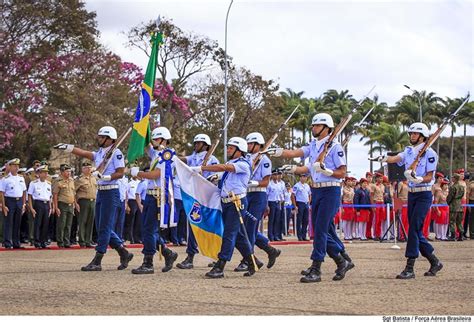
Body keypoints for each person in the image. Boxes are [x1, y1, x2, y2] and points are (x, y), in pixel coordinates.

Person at [265, 113, 354, 283]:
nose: (313, 128)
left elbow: (342, 172)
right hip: (317, 191)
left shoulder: (335, 148)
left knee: (320, 230)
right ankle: (342, 260)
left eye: (316, 126)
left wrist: (328, 172)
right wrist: (279, 153)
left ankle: (317, 267)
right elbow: (295, 153)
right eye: (313, 126)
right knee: (321, 229)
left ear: (326, 128)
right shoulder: (313, 146)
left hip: (331, 190)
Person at [54, 126, 133, 271]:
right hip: (101, 192)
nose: (99, 139)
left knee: (105, 228)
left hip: (111, 192)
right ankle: (123, 252)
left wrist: (105, 176)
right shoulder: (100, 153)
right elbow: (84, 153)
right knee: (101, 227)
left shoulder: (117, 153)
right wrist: (68, 147)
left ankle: (98, 259)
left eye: (102, 137)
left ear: (110, 139)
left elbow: (121, 173)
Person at [370, 122, 443, 279]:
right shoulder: (409, 151)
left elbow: (430, 176)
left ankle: (409, 267)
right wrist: (383, 158)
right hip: (412, 194)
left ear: (422, 136)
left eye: (415, 134)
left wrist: (419, 179)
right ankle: (434, 261)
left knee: (413, 229)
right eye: (411, 134)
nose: (412, 136)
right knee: (415, 231)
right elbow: (396, 158)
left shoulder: (430, 153)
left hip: (424, 194)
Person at [189, 137, 257, 278]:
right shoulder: (231, 162)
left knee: (229, 234)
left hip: (236, 203)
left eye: (231, 148)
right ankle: (252, 262)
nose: (228, 150)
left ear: (240, 151)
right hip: (226, 202)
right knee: (238, 236)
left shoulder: (243, 163)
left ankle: (220, 266)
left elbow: (225, 168)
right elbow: (223, 172)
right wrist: (214, 176)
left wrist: (202, 168)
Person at [129, 127, 178, 274]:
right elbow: (146, 145)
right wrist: (142, 127)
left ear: (163, 140)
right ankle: (168, 253)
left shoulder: (168, 156)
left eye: (156, 139)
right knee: (147, 229)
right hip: (150, 196)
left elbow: (156, 174)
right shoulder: (156, 153)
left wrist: (138, 173)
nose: (154, 141)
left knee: (149, 230)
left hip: (159, 197)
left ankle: (148, 262)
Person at [231, 132, 281, 273]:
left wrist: (251, 182)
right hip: (246, 195)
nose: (248, 146)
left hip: (258, 196)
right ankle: (270, 250)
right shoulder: (246, 158)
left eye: (250, 143)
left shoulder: (265, 160)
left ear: (258, 144)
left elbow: (265, 182)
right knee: (243, 228)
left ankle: (247, 261)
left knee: (250, 228)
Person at [0, 159, 27, 249]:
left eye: (17, 166)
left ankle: (16, 242)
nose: (16, 168)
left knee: (17, 222)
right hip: (9, 201)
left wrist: (23, 204)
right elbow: (2, 193)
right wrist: (3, 205)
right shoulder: (5, 179)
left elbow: (24, 192)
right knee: (9, 222)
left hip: (19, 201)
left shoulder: (21, 178)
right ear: (10, 167)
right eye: (14, 166)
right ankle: (7, 242)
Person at [27, 165, 52, 248]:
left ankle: (43, 241)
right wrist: (31, 208)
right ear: (39, 173)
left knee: (45, 224)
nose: (45, 174)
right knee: (37, 223)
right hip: (38, 203)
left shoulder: (49, 184)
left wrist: (50, 207)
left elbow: (50, 197)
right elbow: (29, 196)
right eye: (44, 172)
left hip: (46, 204)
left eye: (46, 173)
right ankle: (36, 241)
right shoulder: (33, 183)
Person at [52, 164, 76, 248]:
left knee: (68, 225)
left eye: (69, 171)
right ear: (62, 172)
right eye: (67, 171)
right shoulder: (58, 181)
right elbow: (55, 194)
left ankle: (67, 241)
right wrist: (56, 207)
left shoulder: (72, 180)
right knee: (61, 224)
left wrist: (74, 204)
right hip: (62, 204)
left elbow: (73, 193)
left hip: (70, 204)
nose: (69, 173)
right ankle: (60, 241)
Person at [74, 161, 97, 248]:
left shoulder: (94, 178)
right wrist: (75, 203)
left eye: (90, 167)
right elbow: (73, 191)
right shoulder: (80, 179)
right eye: (86, 168)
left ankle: (88, 240)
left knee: (90, 222)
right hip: (83, 201)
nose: (89, 169)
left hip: (92, 201)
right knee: (82, 221)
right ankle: (82, 241)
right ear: (83, 169)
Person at [292, 173, 311, 241]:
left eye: (305, 177)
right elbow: (293, 195)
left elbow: (309, 194)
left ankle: (304, 235)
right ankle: (299, 236)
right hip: (300, 203)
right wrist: (295, 205)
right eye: (302, 177)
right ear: (300, 178)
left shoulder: (307, 186)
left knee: (305, 220)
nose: (304, 178)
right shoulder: (297, 185)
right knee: (299, 220)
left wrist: (309, 202)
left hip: (306, 203)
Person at [446, 173, 465, 242]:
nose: (452, 178)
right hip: (460, 205)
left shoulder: (452, 187)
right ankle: (461, 236)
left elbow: (450, 196)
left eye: (453, 177)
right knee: (459, 222)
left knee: (452, 221)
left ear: (455, 179)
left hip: (453, 205)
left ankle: (453, 236)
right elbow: (462, 195)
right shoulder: (462, 187)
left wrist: (448, 202)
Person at [124, 174, 140, 244]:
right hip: (131, 201)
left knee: (138, 221)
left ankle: (136, 237)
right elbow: (126, 194)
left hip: (138, 201)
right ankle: (130, 238)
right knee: (131, 221)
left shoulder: (139, 183)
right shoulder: (129, 183)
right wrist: (127, 204)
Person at [266, 170, 281, 242]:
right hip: (271, 202)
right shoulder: (269, 184)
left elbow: (280, 195)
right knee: (271, 220)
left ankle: (276, 235)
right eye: (274, 174)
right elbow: (266, 195)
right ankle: (270, 235)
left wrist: (280, 204)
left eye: (277, 174)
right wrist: (267, 205)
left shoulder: (279, 184)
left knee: (277, 220)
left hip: (277, 202)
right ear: (272, 175)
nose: (276, 176)